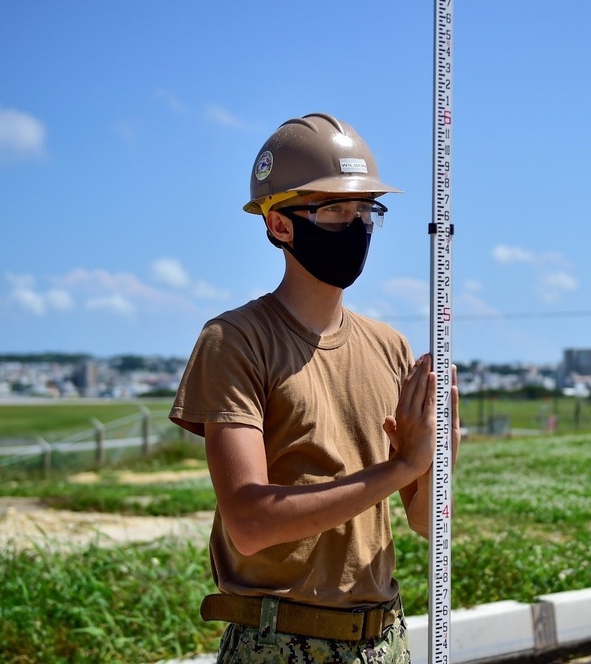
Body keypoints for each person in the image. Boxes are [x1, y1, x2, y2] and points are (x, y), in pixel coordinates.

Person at [169, 112, 459, 663]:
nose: (355, 224)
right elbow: (251, 523)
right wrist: (400, 468)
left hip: (385, 642)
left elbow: (423, 524)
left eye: (366, 209)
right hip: (281, 645)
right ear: (279, 224)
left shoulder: (390, 348)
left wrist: (438, 461)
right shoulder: (234, 340)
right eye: (333, 209)